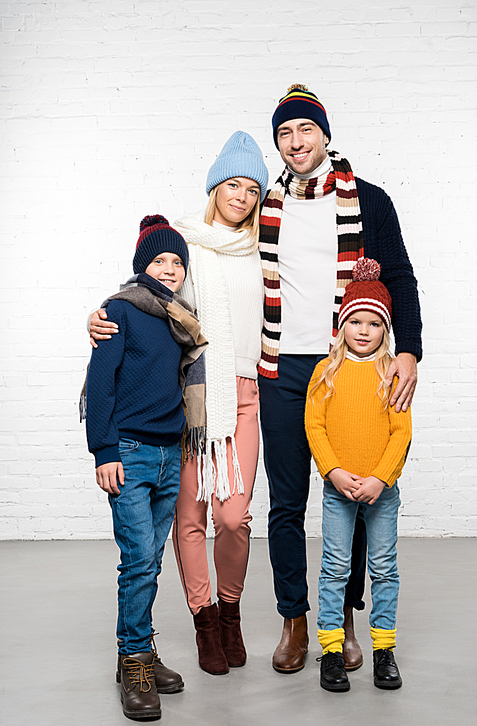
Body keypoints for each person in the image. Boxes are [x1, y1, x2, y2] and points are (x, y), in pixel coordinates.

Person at [89, 131, 268, 676]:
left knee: (233, 519)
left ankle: (232, 611)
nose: (240, 196)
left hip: (242, 396)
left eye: (252, 189)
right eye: (231, 183)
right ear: (214, 185)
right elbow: (143, 299)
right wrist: (98, 319)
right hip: (190, 402)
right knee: (187, 520)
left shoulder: (264, 250)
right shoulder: (182, 245)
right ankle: (205, 620)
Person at [258, 84, 422, 673]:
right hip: (282, 366)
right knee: (286, 501)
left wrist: (410, 352)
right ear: (277, 143)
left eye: (305, 130)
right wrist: (122, 306)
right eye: (284, 133)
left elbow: (400, 277)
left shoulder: (368, 201)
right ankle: (295, 619)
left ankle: (343, 616)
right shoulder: (263, 207)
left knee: (349, 490)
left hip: (347, 366)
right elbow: (209, 255)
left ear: (325, 135)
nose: (296, 142)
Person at [83, 216, 206, 720]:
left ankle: (139, 650)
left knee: (151, 559)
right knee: (136, 559)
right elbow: (102, 382)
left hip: (169, 453)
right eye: (161, 260)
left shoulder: (180, 320)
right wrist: (104, 451)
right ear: (142, 266)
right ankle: (133, 660)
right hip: (129, 453)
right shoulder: (121, 311)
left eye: (178, 262)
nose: (171, 269)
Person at [305, 258, 411, 692]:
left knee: (384, 567)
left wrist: (380, 478)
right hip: (339, 489)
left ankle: (384, 649)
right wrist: (334, 472)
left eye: (374, 323)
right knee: (335, 568)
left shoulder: (392, 375)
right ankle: (331, 650)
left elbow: (401, 433)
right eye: (356, 321)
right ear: (342, 324)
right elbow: (315, 426)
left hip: (381, 491)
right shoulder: (326, 373)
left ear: (386, 330)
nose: (364, 331)